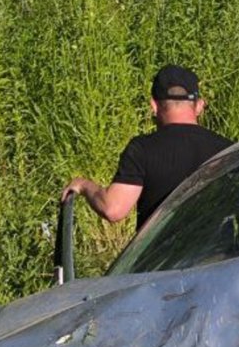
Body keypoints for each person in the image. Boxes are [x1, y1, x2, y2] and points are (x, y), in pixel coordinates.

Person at [62, 64, 230, 231]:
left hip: (163, 257)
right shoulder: (227, 149)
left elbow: (113, 209)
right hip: (223, 256)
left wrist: (83, 185)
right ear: (199, 105)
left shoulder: (142, 149)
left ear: (154, 106)